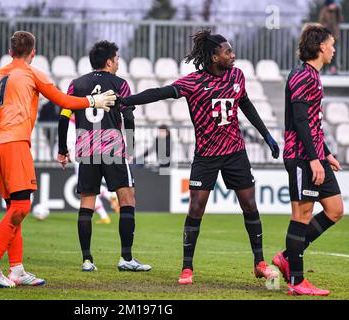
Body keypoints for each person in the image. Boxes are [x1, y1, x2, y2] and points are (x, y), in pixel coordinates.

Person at [118, 29, 280, 285]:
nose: (233, 55)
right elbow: (160, 92)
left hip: (235, 152)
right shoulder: (193, 82)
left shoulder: (237, 75)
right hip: (206, 156)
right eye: (228, 51)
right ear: (215, 57)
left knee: (249, 204)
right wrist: (126, 100)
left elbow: (245, 103)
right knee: (196, 208)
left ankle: (259, 263)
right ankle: (187, 268)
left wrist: (266, 135)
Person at [0, 31, 116, 288]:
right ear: (33, 53)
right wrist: (94, 100)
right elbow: (62, 100)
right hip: (13, 143)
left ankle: (17, 270)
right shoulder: (31, 73)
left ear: (10, 52)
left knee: (15, 206)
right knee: (22, 207)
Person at [57, 40, 151, 272]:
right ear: (109, 61)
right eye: (117, 58)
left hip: (86, 150)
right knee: (127, 200)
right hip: (112, 149)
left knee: (87, 203)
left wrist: (62, 150)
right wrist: (129, 146)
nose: (119, 62)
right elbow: (128, 118)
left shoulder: (76, 85)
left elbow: (62, 118)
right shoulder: (120, 84)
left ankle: (87, 260)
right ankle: (126, 258)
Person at [272, 23, 344, 296]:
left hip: (313, 155)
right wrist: (314, 159)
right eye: (331, 43)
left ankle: (287, 257)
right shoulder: (303, 76)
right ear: (320, 46)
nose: (334, 48)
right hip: (302, 157)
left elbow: (312, 122)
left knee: (335, 209)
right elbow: (300, 121)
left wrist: (325, 153)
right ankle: (297, 281)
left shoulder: (312, 75)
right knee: (301, 215)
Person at [58, 110, 120, 224]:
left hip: (79, 156)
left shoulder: (70, 126)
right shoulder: (83, 122)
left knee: (87, 188)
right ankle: (108, 203)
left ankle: (106, 207)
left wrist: (66, 153)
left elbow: (70, 143)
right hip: (91, 152)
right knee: (92, 185)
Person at [319, 0, 343, 75]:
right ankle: (324, 70)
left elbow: (340, 20)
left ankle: (333, 70)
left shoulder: (336, 11)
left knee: (334, 53)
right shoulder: (324, 11)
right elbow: (321, 21)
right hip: (326, 36)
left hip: (334, 36)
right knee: (325, 52)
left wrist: (338, 10)